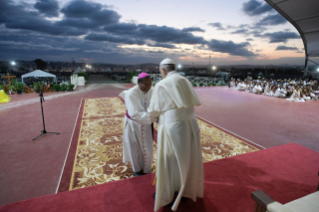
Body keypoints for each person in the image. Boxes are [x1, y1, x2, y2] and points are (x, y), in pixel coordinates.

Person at [148, 58, 204, 212]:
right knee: (188, 157)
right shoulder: (184, 80)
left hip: (172, 127)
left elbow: (153, 111)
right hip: (190, 124)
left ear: (163, 70)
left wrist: (151, 119)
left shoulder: (161, 84)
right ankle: (186, 190)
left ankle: (167, 194)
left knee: (169, 159)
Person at [119, 72, 156, 176]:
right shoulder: (131, 93)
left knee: (147, 148)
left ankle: (147, 169)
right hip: (133, 124)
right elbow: (134, 113)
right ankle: (137, 170)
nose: (148, 87)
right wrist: (153, 117)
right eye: (145, 84)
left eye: (150, 84)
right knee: (133, 147)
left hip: (147, 125)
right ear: (138, 83)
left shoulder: (152, 90)